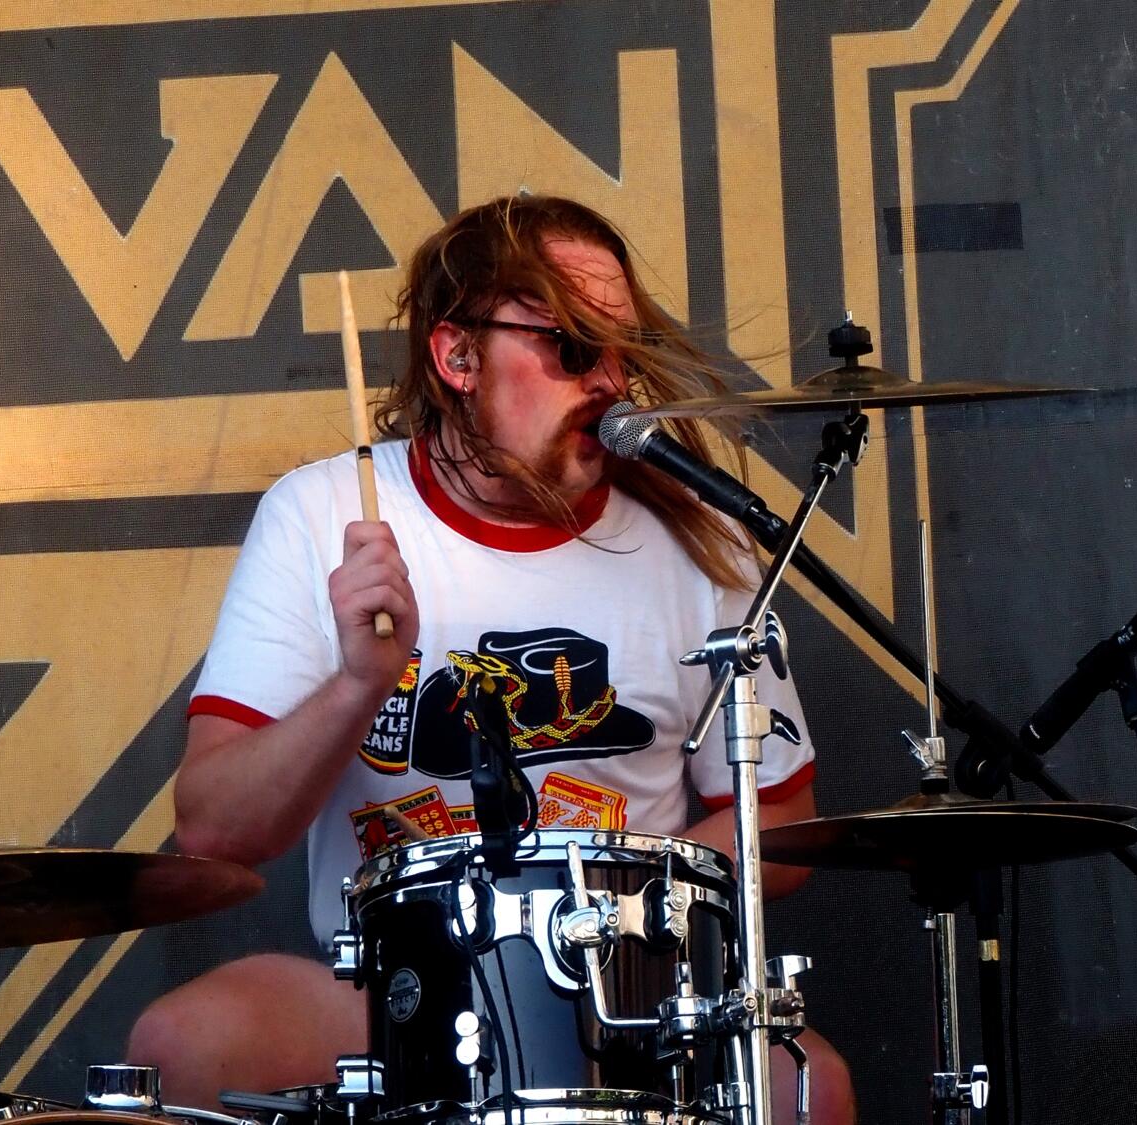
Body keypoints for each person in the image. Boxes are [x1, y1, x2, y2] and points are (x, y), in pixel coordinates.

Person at [128, 195, 855, 1125]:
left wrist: (619, 905)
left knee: (809, 1085)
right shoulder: (323, 514)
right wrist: (359, 684)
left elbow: (781, 819)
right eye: (573, 348)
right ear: (458, 357)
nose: (610, 382)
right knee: (186, 1042)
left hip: (622, 996)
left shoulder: (696, 537)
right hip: (388, 995)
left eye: (622, 353)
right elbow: (214, 826)